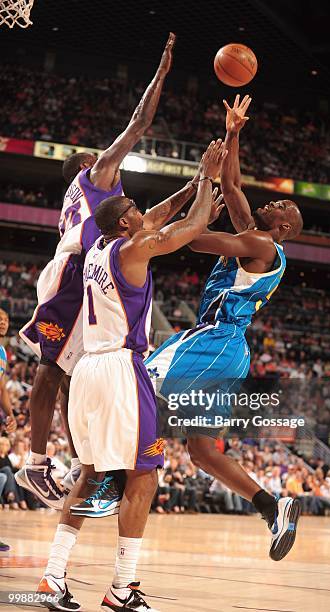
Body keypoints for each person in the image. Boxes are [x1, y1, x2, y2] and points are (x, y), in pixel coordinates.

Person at [82, 95, 303, 562]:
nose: (275, 201)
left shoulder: (260, 243)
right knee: (202, 451)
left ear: (282, 228)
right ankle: (272, 506)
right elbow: (235, 182)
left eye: (282, 205)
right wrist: (234, 133)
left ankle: (112, 480)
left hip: (215, 339)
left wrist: (164, 228)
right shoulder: (254, 236)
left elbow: (195, 237)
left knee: (145, 385)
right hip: (228, 350)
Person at [37, 140, 227, 611]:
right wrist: (209, 177)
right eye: (136, 209)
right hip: (122, 368)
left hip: (85, 370)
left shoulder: (101, 246)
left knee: (92, 474)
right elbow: (193, 226)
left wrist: (192, 186)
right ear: (125, 222)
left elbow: (161, 214)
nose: (143, 212)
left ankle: (51, 578)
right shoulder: (135, 246)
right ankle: (122, 588)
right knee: (144, 476)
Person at [15, 33, 183, 509]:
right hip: (74, 279)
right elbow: (137, 124)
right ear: (88, 167)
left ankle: (79, 465)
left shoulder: (85, 204)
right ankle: (36, 462)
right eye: (100, 157)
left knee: (74, 371)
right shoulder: (95, 178)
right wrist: (161, 74)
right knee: (53, 368)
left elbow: (145, 222)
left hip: (82, 276)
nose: (109, 160)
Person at [0, 309, 17, 435]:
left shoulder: (3, 352)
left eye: (6, 320)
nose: (3, 323)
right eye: (0, 319)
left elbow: (2, 389)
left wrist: (10, 414)